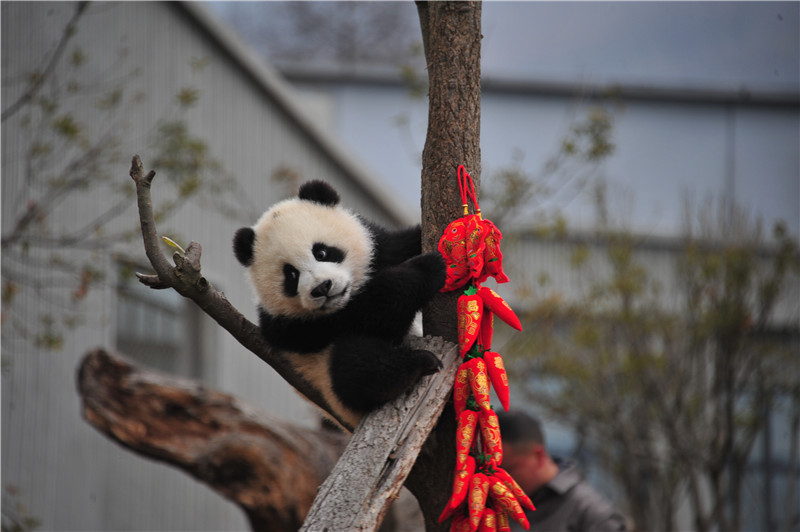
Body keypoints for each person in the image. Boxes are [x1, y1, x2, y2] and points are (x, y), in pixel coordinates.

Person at [497, 410, 628, 532]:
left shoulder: (592, 515)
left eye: (508, 470)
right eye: (492, 473)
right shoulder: (497, 506)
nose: (499, 482)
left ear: (538, 456)